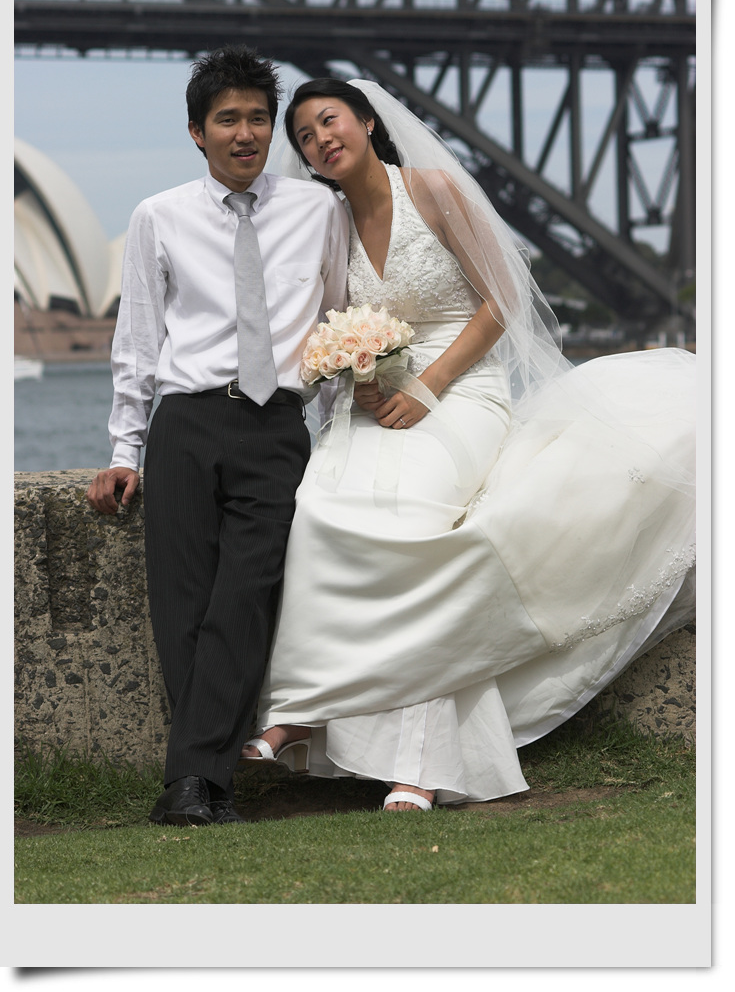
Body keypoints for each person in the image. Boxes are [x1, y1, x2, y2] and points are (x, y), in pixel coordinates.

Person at [239, 77, 696, 812]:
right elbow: (332, 327)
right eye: (305, 137)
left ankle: (407, 759)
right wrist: (359, 376)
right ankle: (302, 705)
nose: (320, 140)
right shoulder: (331, 224)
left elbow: (501, 298)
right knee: (319, 511)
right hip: (378, 402)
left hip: (462, 390)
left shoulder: (434, 189)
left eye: (329, 121)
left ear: (367, 121)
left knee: (413, 531)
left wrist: (429, 386)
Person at [86, 48, 349, 825]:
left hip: (275, 426)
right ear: (197, 132)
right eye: (227, 119)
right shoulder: (157, 216)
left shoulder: (318, 211)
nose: (245, 133)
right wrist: (123, 451)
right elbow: (137, 344)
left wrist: (338, 435)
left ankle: (190, 781)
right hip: (185, 423)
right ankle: (204, 784)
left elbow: (335, 327)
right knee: (182, 605)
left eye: (258, 118)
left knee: (246, 596)